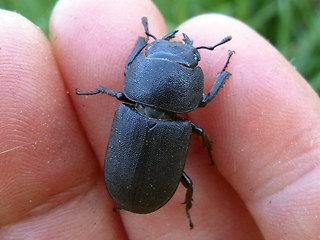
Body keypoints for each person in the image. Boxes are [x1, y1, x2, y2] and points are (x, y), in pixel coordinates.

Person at [0, 0, 319, 239]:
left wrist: (145, 42)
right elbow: (204, 100)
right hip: (135, 181)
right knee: (188, 180)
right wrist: (222, 72)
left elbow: (133, 72)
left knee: (184, 177)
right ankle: (188, 210)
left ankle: (184, 208)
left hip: (127, 179)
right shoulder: (179, 119)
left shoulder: (125, 100)